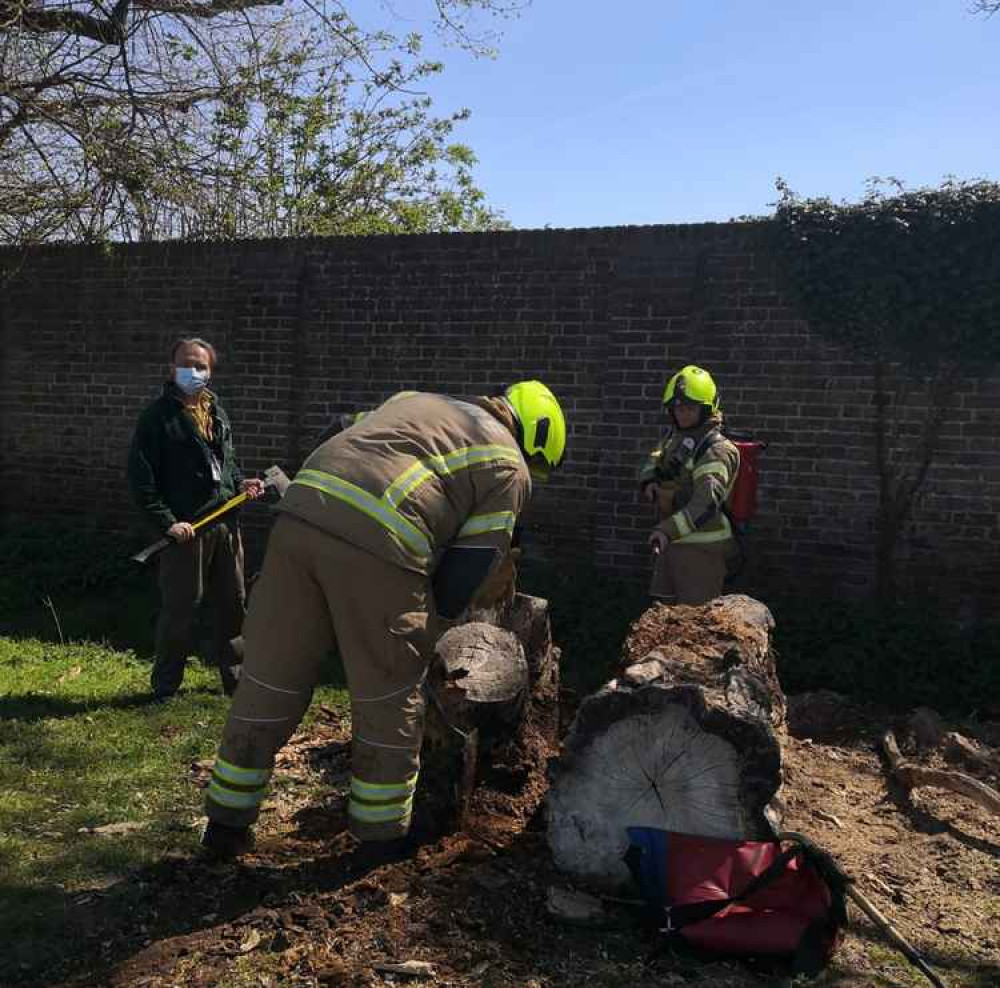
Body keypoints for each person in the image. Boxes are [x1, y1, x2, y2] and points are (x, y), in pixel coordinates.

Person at [200, 382, 566, 860]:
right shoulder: (508, 465)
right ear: (537, 439)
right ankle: (379, 843)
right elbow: (470, 565)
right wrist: (429, 627)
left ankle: (225, 825)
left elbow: (339, 429)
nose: (531, 478)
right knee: (389, 696)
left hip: (300, 517)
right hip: (382, 542)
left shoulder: (414, 401)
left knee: (270, 676)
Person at [128, 338, 264, 700]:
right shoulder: (157, 418)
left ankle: (237, 682)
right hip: (186, 532)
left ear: (210, 371)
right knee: (180, 610)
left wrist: (242, 484)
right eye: (187, 364)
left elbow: (227, 464)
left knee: (234, 604)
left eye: (202, 366)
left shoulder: (216, 412)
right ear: (172, 369)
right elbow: (141, 480)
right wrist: (167, 522)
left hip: (226, 525)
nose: (195, 372)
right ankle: (165, 687)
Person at [638, 365, 739, 605]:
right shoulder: (677, 436)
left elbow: (704, 504)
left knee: (694, 625)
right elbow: (655, 457)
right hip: (673, 543)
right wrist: (649, 480)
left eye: (690, 408)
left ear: (707, 408)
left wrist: (665, 530)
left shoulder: (716, 450)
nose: (682, 414)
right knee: (661, 616)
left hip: (702, 551)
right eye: (677, 408)